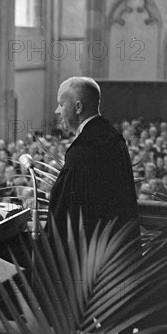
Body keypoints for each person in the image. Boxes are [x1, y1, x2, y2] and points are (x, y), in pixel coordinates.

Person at [49, 77, 138, 241]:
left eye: (61, 104)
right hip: (115, 247)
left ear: (78, 107)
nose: (57, 111)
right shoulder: (113, 137)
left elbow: (64, 211)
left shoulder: (83, 149)